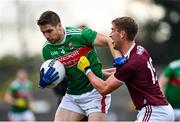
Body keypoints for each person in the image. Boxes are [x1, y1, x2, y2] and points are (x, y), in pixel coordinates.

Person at [77, 17, 175, 121]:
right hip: (161, 110)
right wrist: (98, 73)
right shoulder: (138, 50)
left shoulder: (131, 63)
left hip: (154, 111)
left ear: (122, 34)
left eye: (113, 30)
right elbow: (120, 72)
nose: (110, 35)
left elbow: (104, 89)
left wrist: (86, 70)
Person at [37, 10, 118, 121]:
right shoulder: (47, 50)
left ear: (59, 26)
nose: (46, 35)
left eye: (49, 31)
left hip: (95, 94)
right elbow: (59, 78)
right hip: (73, 96)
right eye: (43, 32)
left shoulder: (81, 35)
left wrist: (118, 60)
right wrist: (47, 83)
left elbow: (109, 40)